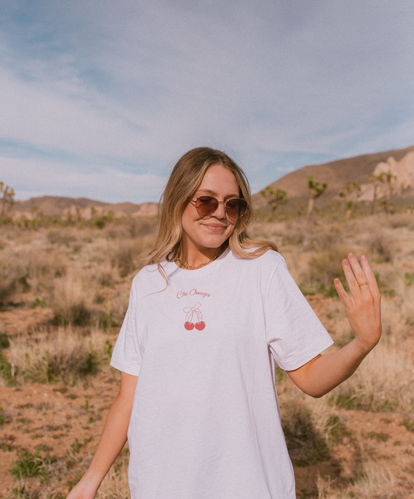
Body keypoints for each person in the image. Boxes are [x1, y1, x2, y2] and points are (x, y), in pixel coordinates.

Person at [67, 147, 381, 499]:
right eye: (206, 201)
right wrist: (91, 480)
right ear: (178, 199)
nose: (220, 213)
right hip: (161, 483)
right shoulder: (148, 283)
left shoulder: (262, 269)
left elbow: (311, 378)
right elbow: (129, 396)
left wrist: (361, 344)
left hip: (245, 484)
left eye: (233, 204)